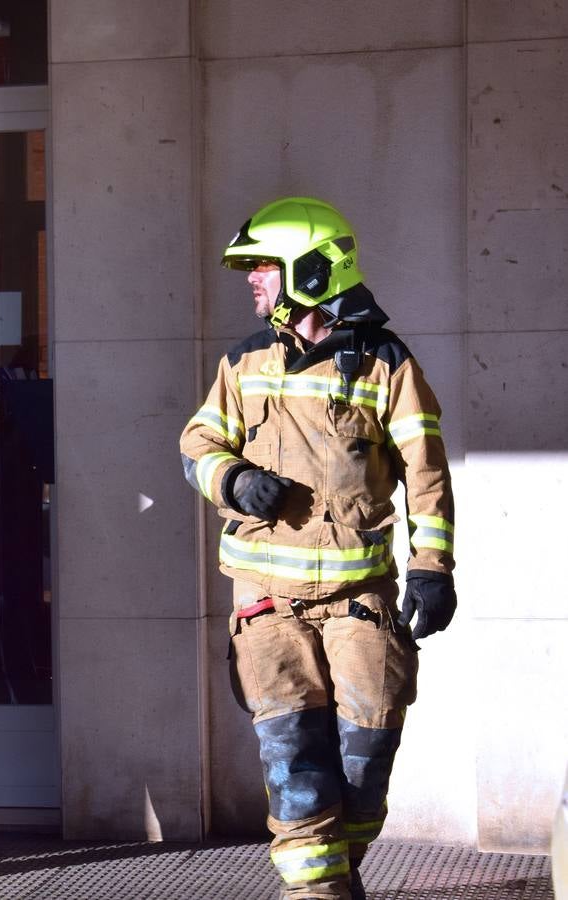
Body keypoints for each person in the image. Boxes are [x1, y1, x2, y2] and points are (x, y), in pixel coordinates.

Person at [179, 198, 456, 900]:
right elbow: (198, 444)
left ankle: (338, 880)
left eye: (264, 266)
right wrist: (235, 480)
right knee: (298, 783)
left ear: (310, 266)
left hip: (360, 608)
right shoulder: (244, 361)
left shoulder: (386, 365)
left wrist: (432, 569)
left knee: (363, 778)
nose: (253, 281)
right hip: (268, 611)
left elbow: (426, 474)